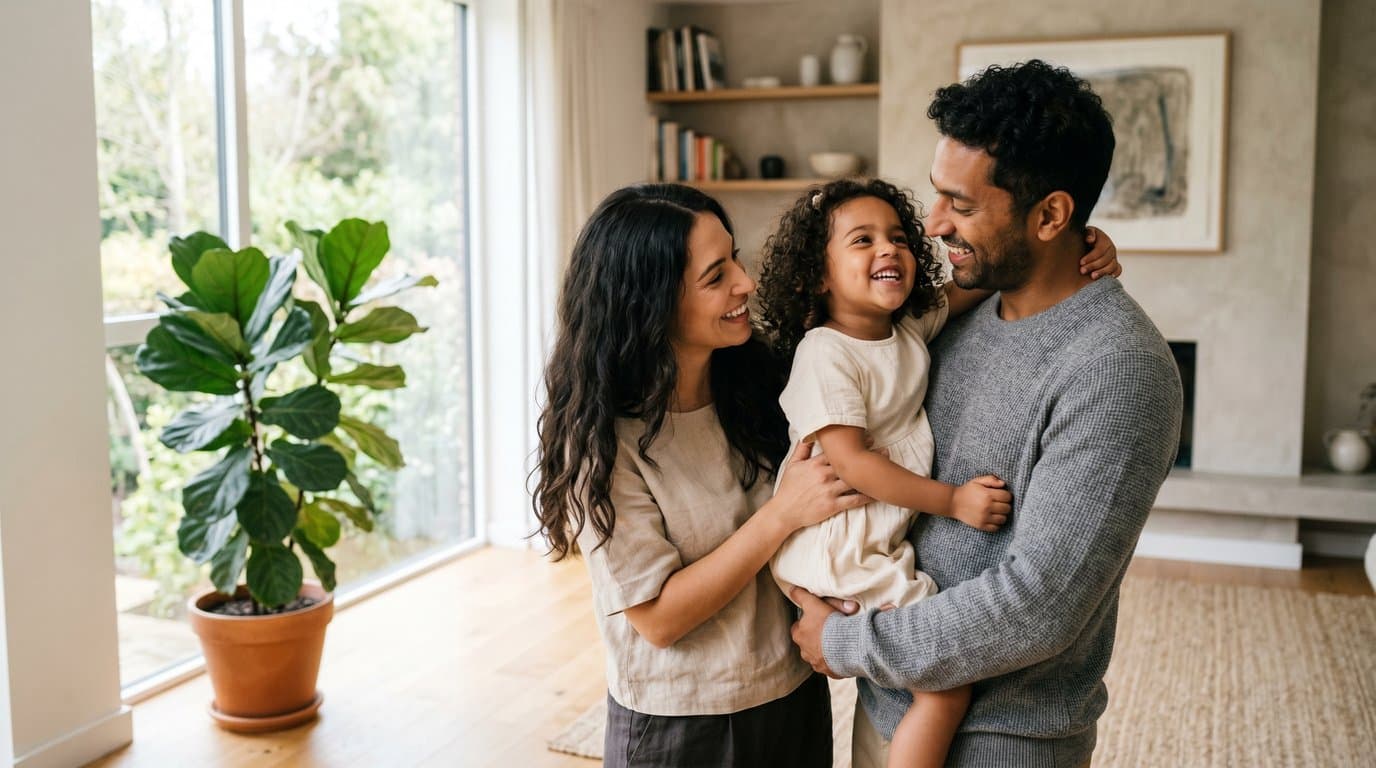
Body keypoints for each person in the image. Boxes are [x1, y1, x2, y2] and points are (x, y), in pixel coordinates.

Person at [789, 60, 1185, 768]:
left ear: (1051, 215)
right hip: (891, 698)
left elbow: (1039, 606)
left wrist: (849, 642)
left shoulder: (1118, 371)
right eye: (938, 197)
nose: (933, 225)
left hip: (999, 740)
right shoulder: (955, 319)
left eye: (961, 206)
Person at [756, 178, 1119, 768]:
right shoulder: (825, 352)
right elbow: (853, 464)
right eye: (862, 240)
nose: (890, 249)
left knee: (932, 672)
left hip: (874, 535)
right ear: (819, 277)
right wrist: (951, 502)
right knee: (944, 683)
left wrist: (1086, 249)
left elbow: (972, 286)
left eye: (897, 237)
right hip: (843, 540)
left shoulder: (906, 330)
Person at [532, 183, 871, 767]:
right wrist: (783, 513)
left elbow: (894, 328)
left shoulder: (764, 382)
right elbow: (659, 620)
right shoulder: (601, 443)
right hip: (681, 726)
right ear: (651, 303)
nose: (744, 282)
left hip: (792, 693)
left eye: (734, 257)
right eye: (716, 277)